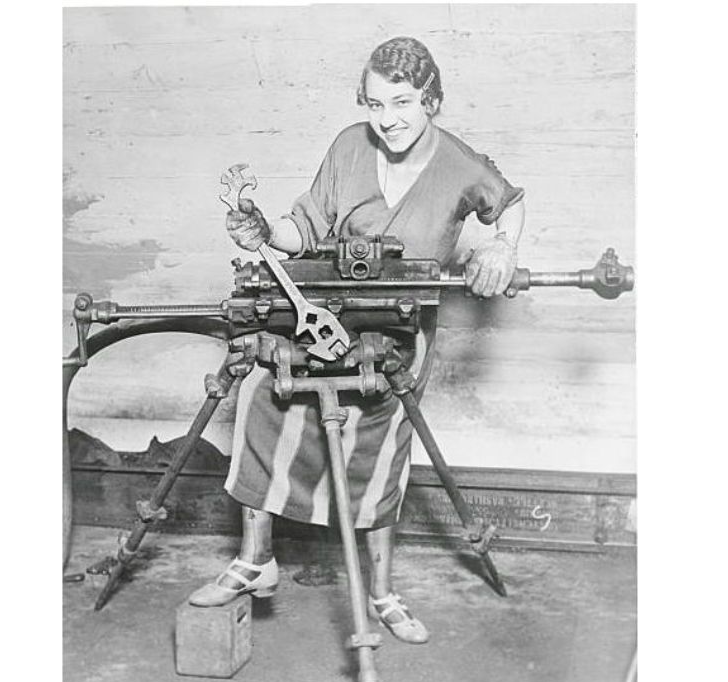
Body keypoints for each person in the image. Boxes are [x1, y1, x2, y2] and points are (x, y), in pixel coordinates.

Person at [189, 36, 525, 644]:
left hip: (397, 331)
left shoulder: (458, 163)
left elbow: (508, 205)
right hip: (326, 315)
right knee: (263, 397)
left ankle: (382, 593)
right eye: (375, 104)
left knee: (380, 449)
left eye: (402, 102)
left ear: (431, 101)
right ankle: (255, 559)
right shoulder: (350, 145)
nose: (387, 119)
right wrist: (264, 228)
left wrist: (502, 247)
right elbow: (303, 228)